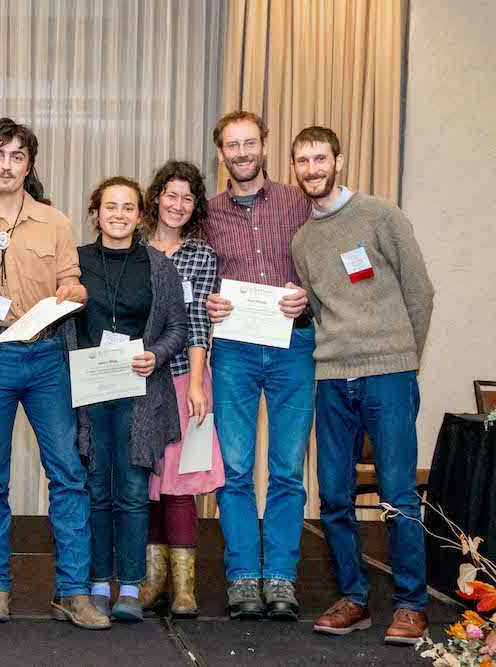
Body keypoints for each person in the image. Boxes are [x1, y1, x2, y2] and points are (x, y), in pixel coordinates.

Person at [289, 126, 434, 645]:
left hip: (388, 374)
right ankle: (353, 597)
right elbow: (319, 309)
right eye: (303, 161)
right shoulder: (303, 240)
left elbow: (419, 291)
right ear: (295, 168)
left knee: (397, 496)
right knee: (333, 497)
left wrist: (403, 360)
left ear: (339, 159)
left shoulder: (381, 216)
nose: (312, 168)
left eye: (320, 158)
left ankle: (412, 604)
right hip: (331, 377)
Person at [0, 117, 109, 630]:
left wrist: (74, 293)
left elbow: (73, 282)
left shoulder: (56, 221)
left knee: (68, 474)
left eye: (17, 156)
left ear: (30, 163)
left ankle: (73, 592)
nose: (6, 166)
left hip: (47, 356)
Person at [205, 111, 313, 621]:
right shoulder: (206, 215)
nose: (242, 152)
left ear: (265, 145)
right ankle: (243, 575)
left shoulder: (300, 203)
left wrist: (307, 297)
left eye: (250, 142)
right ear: (221, 153)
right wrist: (210, 302)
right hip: (233, 352)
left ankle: (282, 578)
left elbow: (326, 271)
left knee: (288, 469)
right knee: (237, 469)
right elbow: (199, 282)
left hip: (294, 347)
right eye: (232, 145)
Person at [69, 177, 187, 623]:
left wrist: (155, 355)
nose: (118, 215)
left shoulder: (160, 266)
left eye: (128, 208)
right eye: (109, 207)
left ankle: (132, 586)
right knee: (96, 489)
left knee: (135, 492)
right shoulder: (74, 263)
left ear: (140, 216)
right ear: (95, 212)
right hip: (91, 391)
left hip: (141, 392)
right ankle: (99, 582)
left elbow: (178, 328)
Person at [141, 161, 225, 618]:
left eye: (187, 198)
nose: (177, 205)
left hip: (184, 380)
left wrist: (196, 384)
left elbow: (198, 325)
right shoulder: (134, 249)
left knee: (181, 482)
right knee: (148, 482)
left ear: (195, 207)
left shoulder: (202, 257)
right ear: (156, 198)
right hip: (138, 381)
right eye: (170, 195)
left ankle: (185, 589)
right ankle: (152, 581)